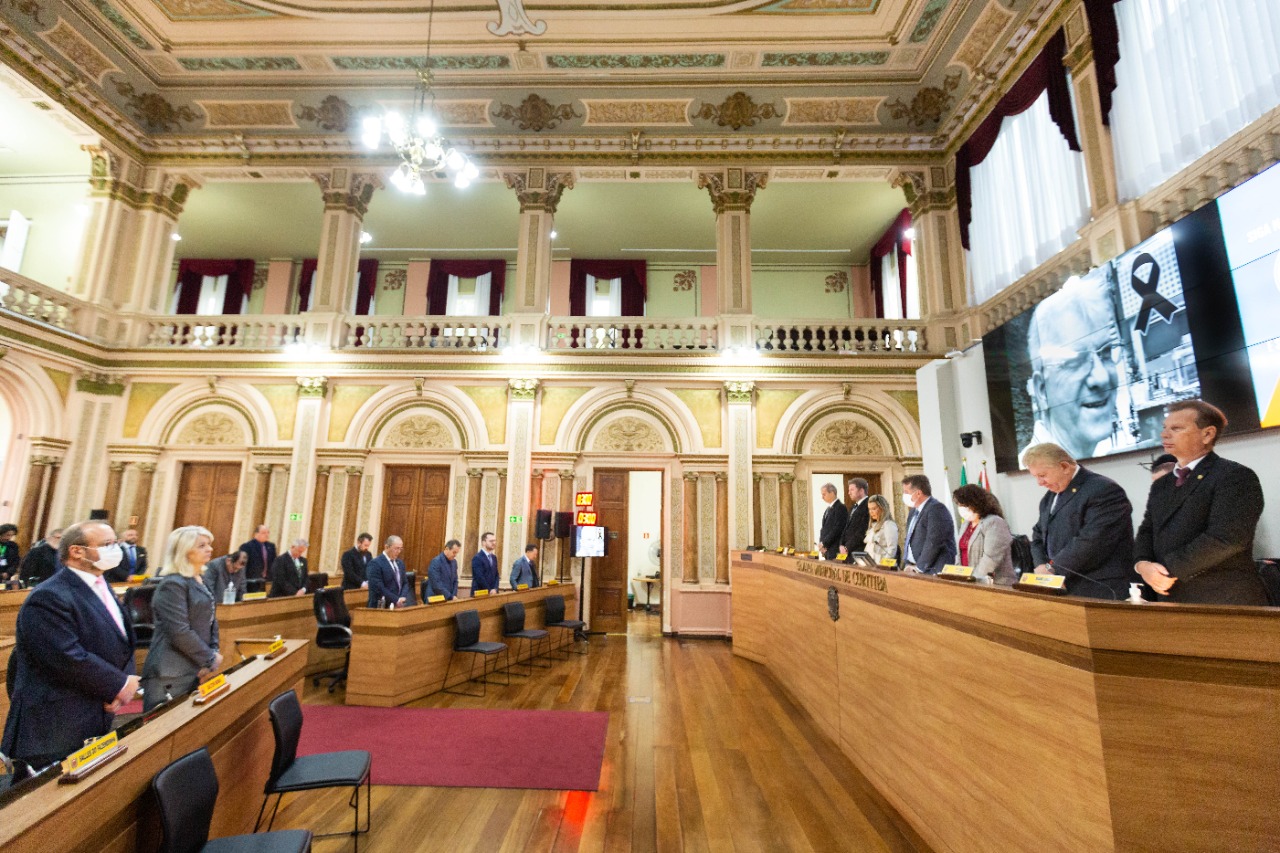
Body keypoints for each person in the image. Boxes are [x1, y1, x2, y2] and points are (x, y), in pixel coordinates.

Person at [1, 521, 139, 769]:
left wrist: (121, 684)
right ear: (77, 551)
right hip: (54, 726)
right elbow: (65, 657)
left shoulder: (101, 585)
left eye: (116, 543)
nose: (115, 549)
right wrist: (118, 685)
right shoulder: (49, 596)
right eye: (108, 544)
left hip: (94, 710)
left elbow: (122, 640)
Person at [1134, 400, 1268, 604]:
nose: (1164, 435)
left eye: (1176, 428)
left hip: (1222, 599)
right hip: (1170, 597)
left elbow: (1226, 538)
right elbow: (1147, 530)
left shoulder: (1234, 476)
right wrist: (1142, 565)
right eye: (1165, 428)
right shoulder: (1162, 485)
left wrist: (1166, 570)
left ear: (1207, 434)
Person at [1020, 276, 1125, 466]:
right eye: (1075, 361)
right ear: (1042, 390)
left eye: (1106, 352)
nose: (1101, 378)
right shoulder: (1032, 469)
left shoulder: (1105, 453)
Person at [1025, 443, 1134, 599]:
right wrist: (1042, 566)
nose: (1039, 483)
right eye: (1035, 477)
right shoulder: (1049, 497)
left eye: (1042, 475)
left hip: (1099, 587)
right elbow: (1038, 535)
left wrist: (1052, 569)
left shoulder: (1103, 489)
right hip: (1063, 584)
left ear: (1064, 467)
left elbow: (1093, 540)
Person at [141, 526, 222, 711]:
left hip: (194, 667)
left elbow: (211, 621)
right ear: (184, 551)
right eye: (202, 545)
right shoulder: (172, 584)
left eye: (209, 544)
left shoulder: (199, 580)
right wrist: (209, 658)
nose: (209, 549)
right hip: (170, 672)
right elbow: (179, 631)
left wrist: (211, 654)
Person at [952, 484, 1016, 584]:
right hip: (968, 582)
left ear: (975, 503)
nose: (961, 509)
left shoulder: (994, 522)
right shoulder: (966, 524)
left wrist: (973, 580)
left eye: (964, 505)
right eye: (959, 505)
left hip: (995, 584)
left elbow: (991, 558)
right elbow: (960, 554)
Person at [900, 475, 956, 574]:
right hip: (913, 567)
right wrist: (907, 563)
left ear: (918, 493)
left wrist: (919, 568)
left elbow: (934, 541)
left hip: (932, 568)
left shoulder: (936, 509)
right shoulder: (913, 511)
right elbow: (910, 538)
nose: (904, 495)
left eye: (906, 492)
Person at [366, 535, 407, 608]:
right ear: (387, 547)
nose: (399, 551)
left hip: (398, 605)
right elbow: (378, 587)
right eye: (396, 548)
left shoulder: (400, 563)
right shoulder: (375, 563)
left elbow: (405, 582)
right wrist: (396, 599)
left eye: (401, 549)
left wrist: (402, 597)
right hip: (380, 606)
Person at [838, 478, 871, 558]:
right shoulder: (853, 507)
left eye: (852, 490)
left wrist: (847, 547)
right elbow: (846, 528)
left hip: (859, 550)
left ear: (861, 491)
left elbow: (863, 529)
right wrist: (841, 544)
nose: (849, 493)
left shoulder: (869, 505)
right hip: (847, 551)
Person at [862, 495, 899, 564]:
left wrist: (883, 565)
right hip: (871, 565)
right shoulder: (873, 525)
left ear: (882, 508)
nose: (871, 512)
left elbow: (892, 549)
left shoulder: (889, 525)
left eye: (874, 509)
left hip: (882, 567)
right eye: (869, 509)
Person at [816, 483, 848, 560]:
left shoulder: (840, 507)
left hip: (835, 547)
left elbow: (838, 528)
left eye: (824, 494)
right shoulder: (828, 509)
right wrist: (821, 544)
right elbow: (824, 529)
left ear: (832, 493)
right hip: (827, 548)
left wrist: (824, 543)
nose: (822, 497)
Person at [470, 532, 500, 596]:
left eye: (495, 541)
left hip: (493, 593)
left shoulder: (494, 557)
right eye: (491, 541)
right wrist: (489, 590)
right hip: (480, 593)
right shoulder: (477, 558)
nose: (494, 543)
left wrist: (495, 589)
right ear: (483, 542)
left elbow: (496, 575)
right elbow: (479, 577)